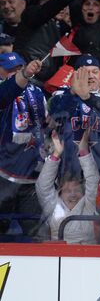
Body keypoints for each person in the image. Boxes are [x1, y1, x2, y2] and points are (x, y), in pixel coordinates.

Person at [0, 53, 45, 238]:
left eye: (18, 68)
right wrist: (24, 75)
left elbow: (46, 123)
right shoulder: (4, 90)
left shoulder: (37, 92)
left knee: (34, 237)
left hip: (30, 178)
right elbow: (5, 94)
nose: (15, 73)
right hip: (3, 177)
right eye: (10, 70)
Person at [35, 128, 98, 244]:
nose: (73, 194)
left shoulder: (88, 206)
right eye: (68, 191)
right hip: (58, 256)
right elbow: (43, 185)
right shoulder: (52, 205)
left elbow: (93, 180)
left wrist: (84, 151)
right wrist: (56, 154)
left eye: (77, 190)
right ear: (60, 192)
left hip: (86, 256)